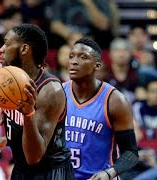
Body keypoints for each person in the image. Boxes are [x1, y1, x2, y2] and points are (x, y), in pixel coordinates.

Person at [0, 24, 74, 179]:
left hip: (50, 172)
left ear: (24, 49)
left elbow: (34, 157)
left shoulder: (49, 91)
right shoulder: (2, 78)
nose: (2, 49)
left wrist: (28, 113)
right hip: (21, 167)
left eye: (7, 43)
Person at [63, 38, 139, 180]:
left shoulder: (115, 100)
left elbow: (131, 153)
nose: (74, 61)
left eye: (83, 57)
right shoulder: (58, 94)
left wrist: (109, 173)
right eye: (71, 56)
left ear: (97, 66)